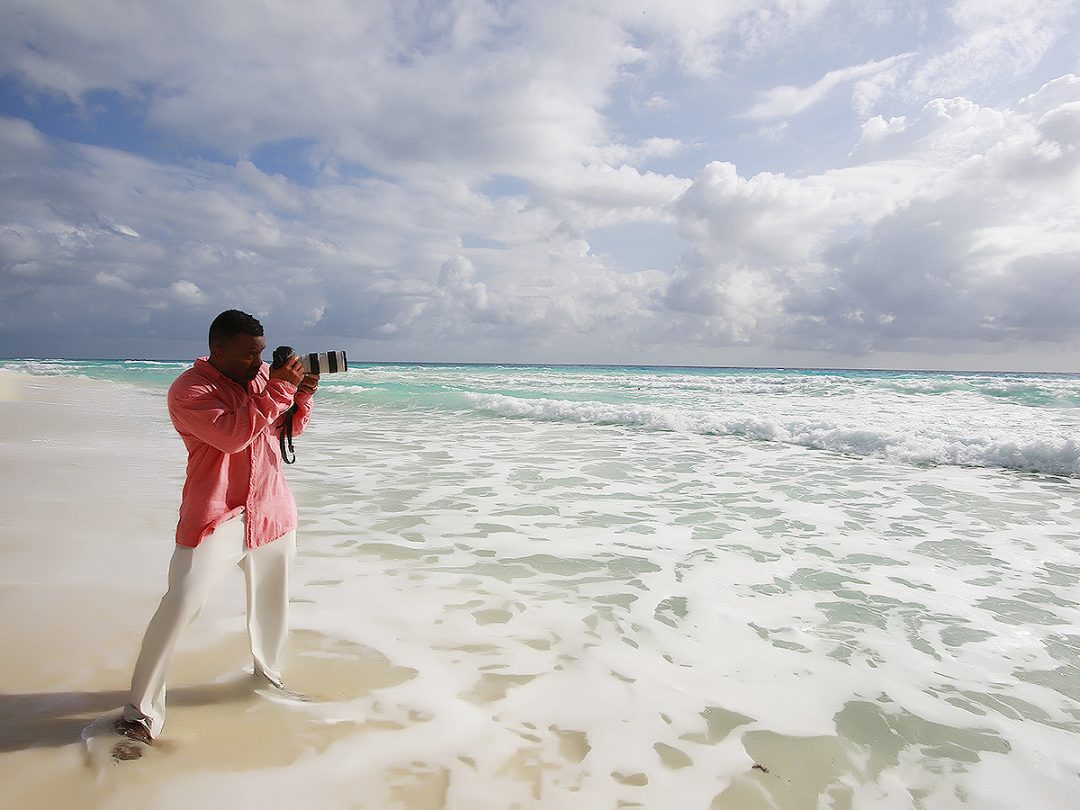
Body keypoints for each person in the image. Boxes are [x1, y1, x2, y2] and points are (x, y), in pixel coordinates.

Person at [113, 309, 318, 745]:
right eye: (248, 355)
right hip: (216, 516)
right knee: (180, 605)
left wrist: (301, 397)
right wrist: (281, 387)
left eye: (261, 354)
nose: (257, 363)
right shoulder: (190, 390)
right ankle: (140, 712)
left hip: (272, 510)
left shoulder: (263, 378)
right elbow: (233, 436)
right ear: (217, 349)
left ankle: (268, 679)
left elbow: (285, 430)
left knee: (271, 606)